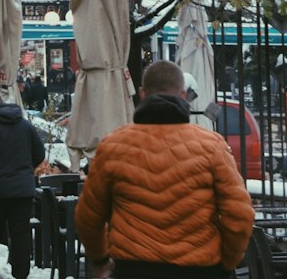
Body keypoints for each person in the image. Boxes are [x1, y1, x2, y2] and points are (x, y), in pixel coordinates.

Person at [75, 59, 256, 279]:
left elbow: (88, 217)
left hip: (133, 269)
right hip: (199, 269)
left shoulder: (113, 146)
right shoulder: (211, 146)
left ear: (142, 93)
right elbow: (240, 215)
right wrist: (227, 263)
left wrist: (100, 260)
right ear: (182, 95)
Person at [0, 94, 45, 279]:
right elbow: (40, 153)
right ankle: (21, 275)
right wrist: (25, 169)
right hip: (23, 190)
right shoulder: (25, 126)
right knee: (20, 235)